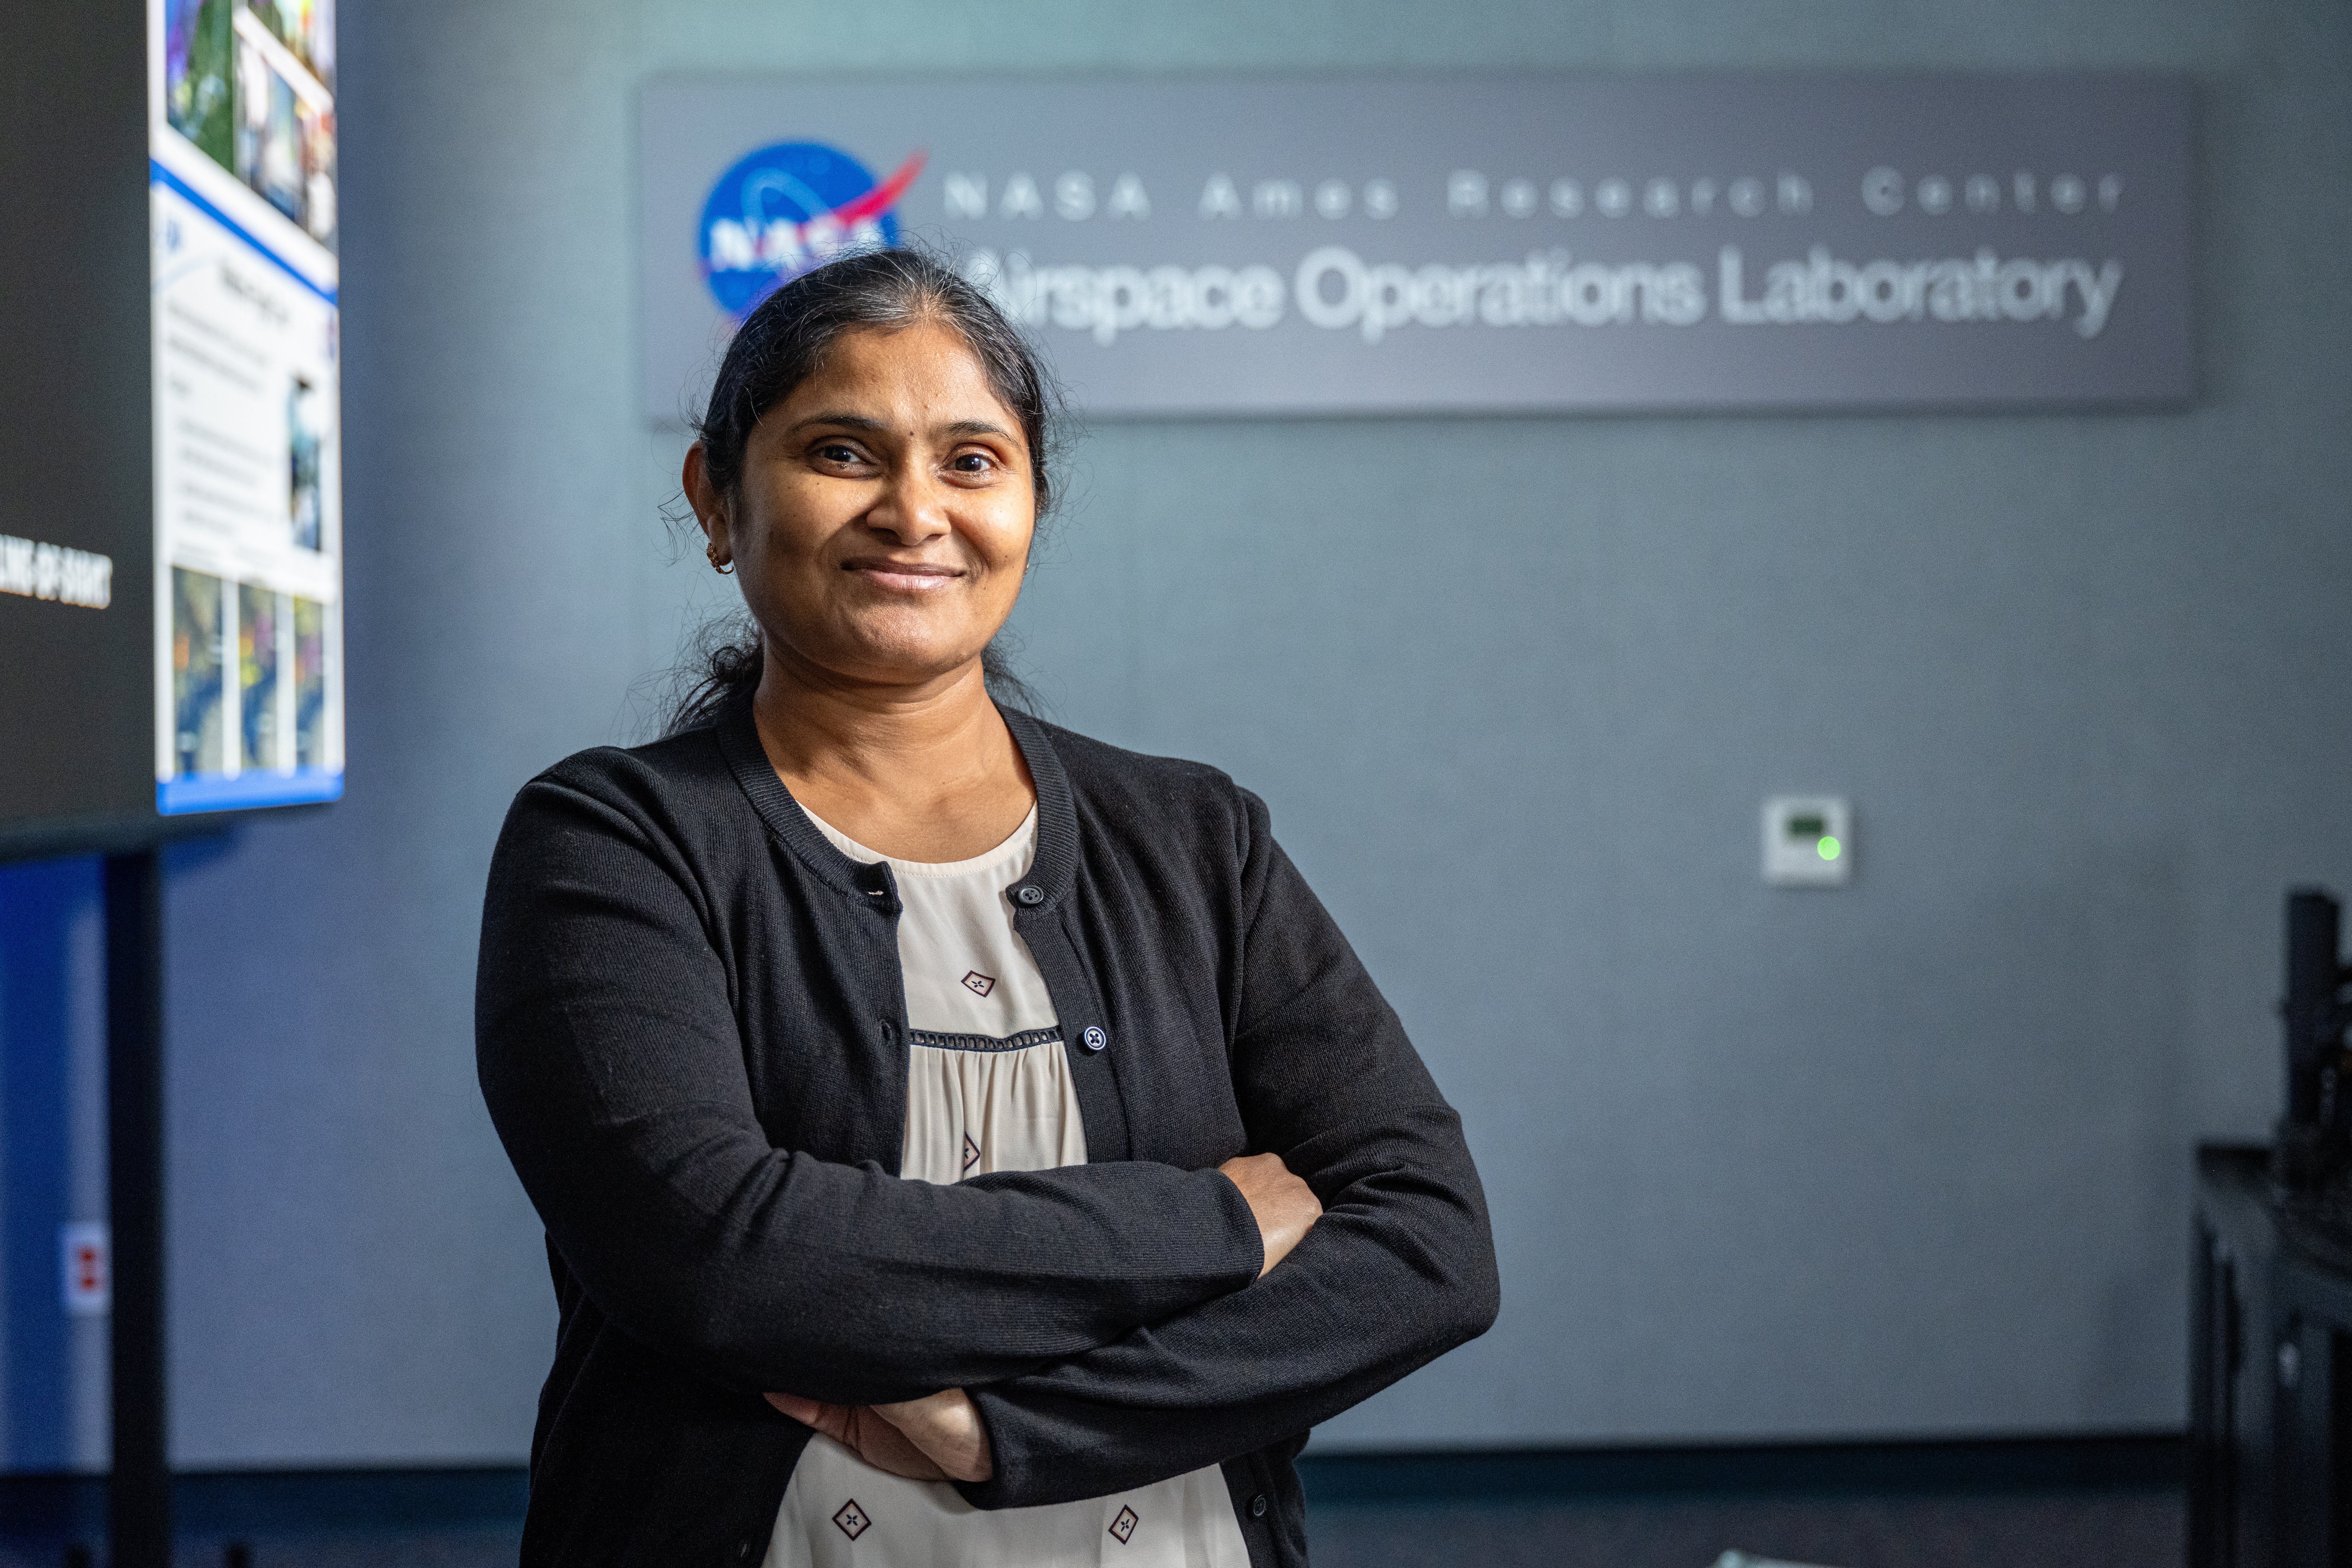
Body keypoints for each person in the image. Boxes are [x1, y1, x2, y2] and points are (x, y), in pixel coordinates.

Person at [475, 247, 1498, 1568]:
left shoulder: (1193, 837)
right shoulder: (613, 842)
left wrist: (1009, 1432)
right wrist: (1222, 1223)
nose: (915, 510)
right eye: (842, 452)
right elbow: (729, 1260)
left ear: (1029, 504)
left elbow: (1430, 1246)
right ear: (717, 498)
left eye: (971, 460)